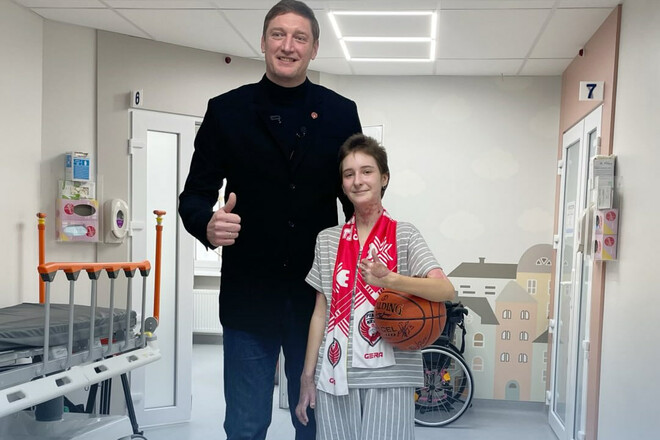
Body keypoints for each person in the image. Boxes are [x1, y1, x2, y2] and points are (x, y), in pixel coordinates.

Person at [178, 0, 361, 438]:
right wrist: (207, 224)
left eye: (300, 37)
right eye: (278, 34)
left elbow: (356, 199)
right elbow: (194, 195)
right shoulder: (227, 111)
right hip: (249, 297)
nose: (288, 45)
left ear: (314, 48)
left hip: (317, 299)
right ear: (263, 42)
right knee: (246, 425)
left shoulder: (340, 113)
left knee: (315, 422)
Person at [294, 134, 455, 440]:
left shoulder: (405, 235)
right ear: (343, 185)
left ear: (384, 178)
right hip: (335, 371)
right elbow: (320, 313)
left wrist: (391, 280)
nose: (357, 181)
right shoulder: (327, 239)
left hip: (391, 374)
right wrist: (307, 376)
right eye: (349, 174)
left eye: (366, 171)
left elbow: (446, 290)